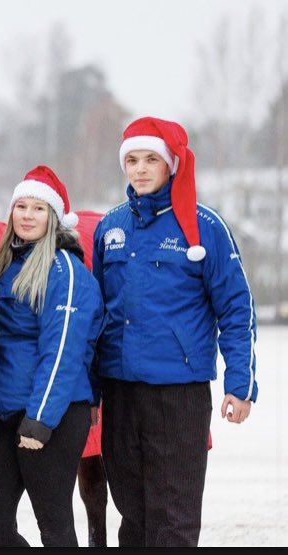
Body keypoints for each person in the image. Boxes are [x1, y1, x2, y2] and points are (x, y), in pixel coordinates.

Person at [92, 116, 258, 547]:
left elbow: (237, 309)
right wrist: (87, 393)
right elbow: (93, 318)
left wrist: (240, 383)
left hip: (178, 393)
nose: (140, 169)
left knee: (175, 517)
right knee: (131, 514)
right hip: (120, 391)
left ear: (171, 165)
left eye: (151, 159)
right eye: (132, 160)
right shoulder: (111, 228)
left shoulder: (205, 228)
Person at [0, 165, 104, 547]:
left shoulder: (65, 270)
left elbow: (62, 350)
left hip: (51, 413)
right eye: (21, 206)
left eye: (39, 208)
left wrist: (41, 418)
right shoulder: (3, 265)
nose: (27, 215)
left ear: (54, 218)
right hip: (3, 411)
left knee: (55, 524)